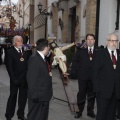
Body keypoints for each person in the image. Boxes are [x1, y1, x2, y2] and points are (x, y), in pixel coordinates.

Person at [92, 33, 120, 120]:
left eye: (116, 41)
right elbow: (94, 72)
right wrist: (97, 89)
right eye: (112, 41)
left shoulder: (119, 54)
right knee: (102, 115)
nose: (114, 43)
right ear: (107, 42)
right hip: (103, 92)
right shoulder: (100, 54)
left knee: (112, 115)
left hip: (116, 92)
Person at [5, 35, 31, 120]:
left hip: (24, 80)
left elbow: (29, 65)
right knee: (12, 97)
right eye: (18, 41)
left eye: (21, 41)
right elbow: (9, 67)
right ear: (14, 43)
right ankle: (9, 115)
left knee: (23, 99)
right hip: (15, 80)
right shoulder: (10, 52)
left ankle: (20, 115)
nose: (20, 42)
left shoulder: (26, 51)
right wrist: (13, 79)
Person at [26, 38, 53, 120]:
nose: (49, 48)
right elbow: (31, 79)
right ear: (45, 48)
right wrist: (35, 96)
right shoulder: (35, 59)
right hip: (37, 97)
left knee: (42, 117)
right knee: (34, 117)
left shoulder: (41, 58)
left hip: (44, 96)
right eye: (48, 46)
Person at [74, 34, 98, 118]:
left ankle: (90, 111)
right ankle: (79, 111)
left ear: (94, 40)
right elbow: (75, 62)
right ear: (86, 41)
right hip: (83, 77)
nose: (90, 41)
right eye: (88, 39)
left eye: (92, 39)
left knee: (92, 95)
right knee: (81, 94)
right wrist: (74, 73)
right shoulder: (81, 50)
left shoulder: (99, 51)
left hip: (94, 78)